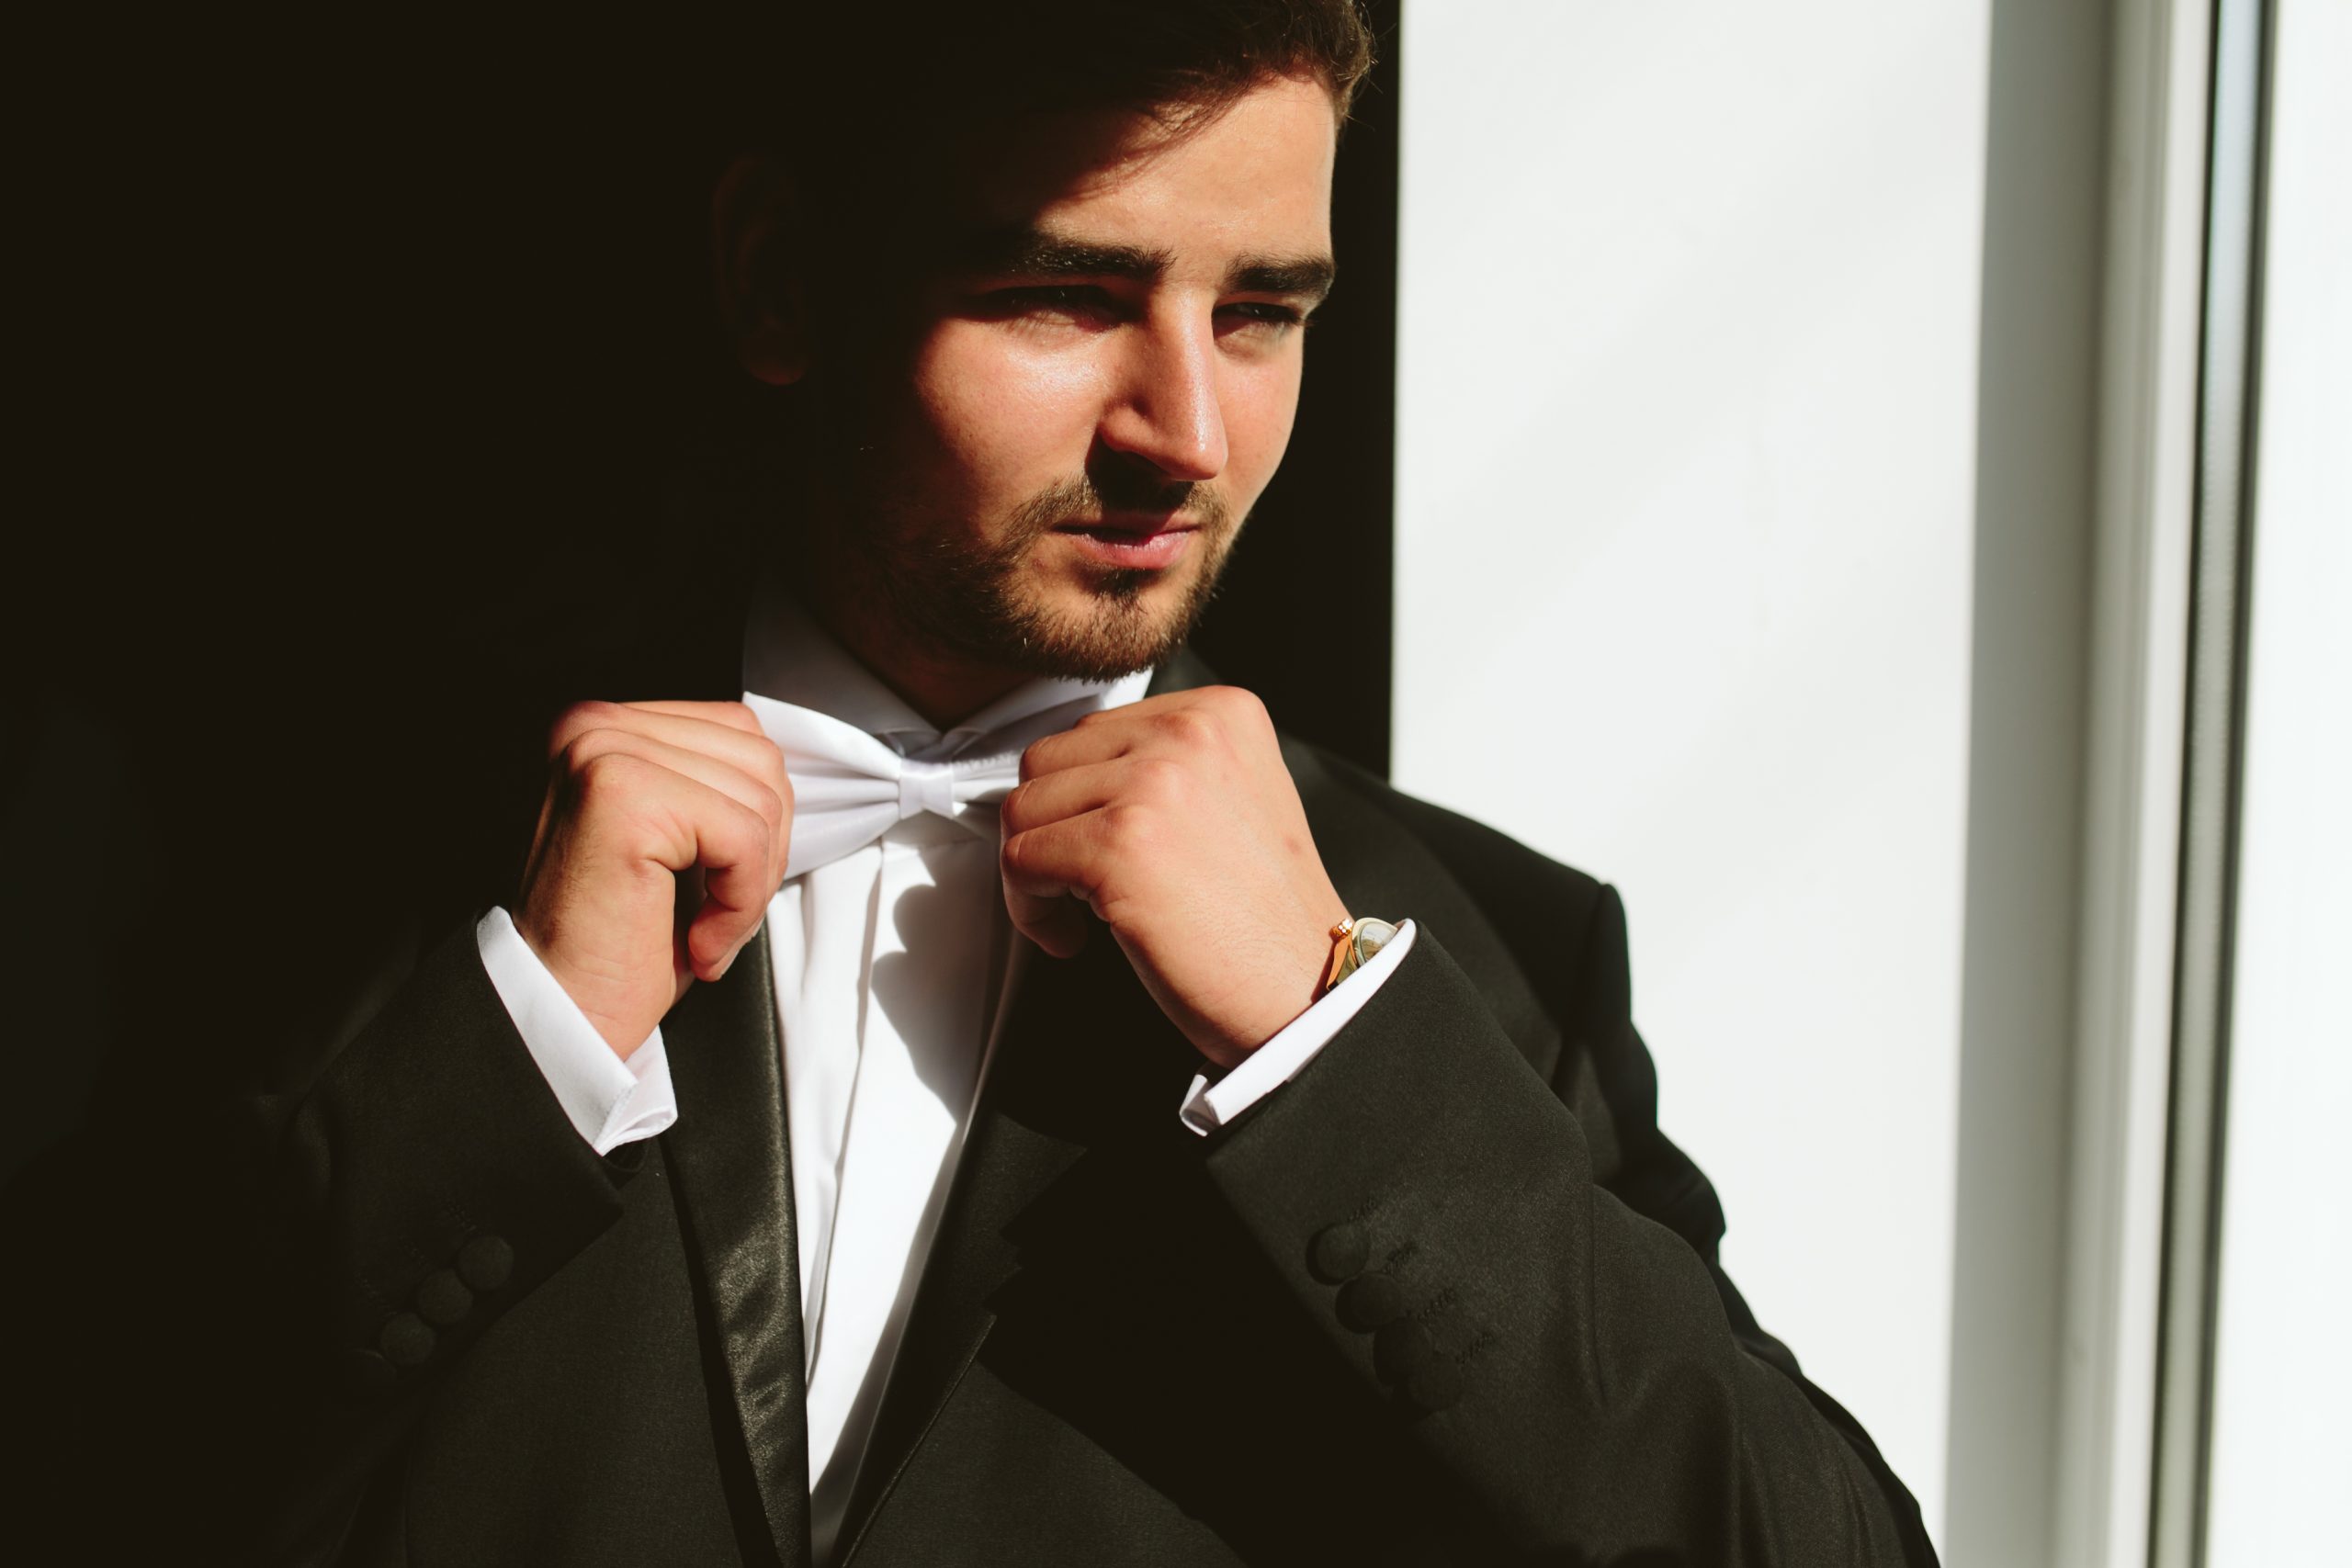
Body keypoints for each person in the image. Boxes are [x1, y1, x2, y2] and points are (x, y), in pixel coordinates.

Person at [10, 4, 1937, 1563]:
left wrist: (1334, 1064)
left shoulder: (1479, 960)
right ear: (780, 283)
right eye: (1067, 295)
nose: (1184, 430)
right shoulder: (311, 845)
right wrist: (513, 1042)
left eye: (1262, 312)